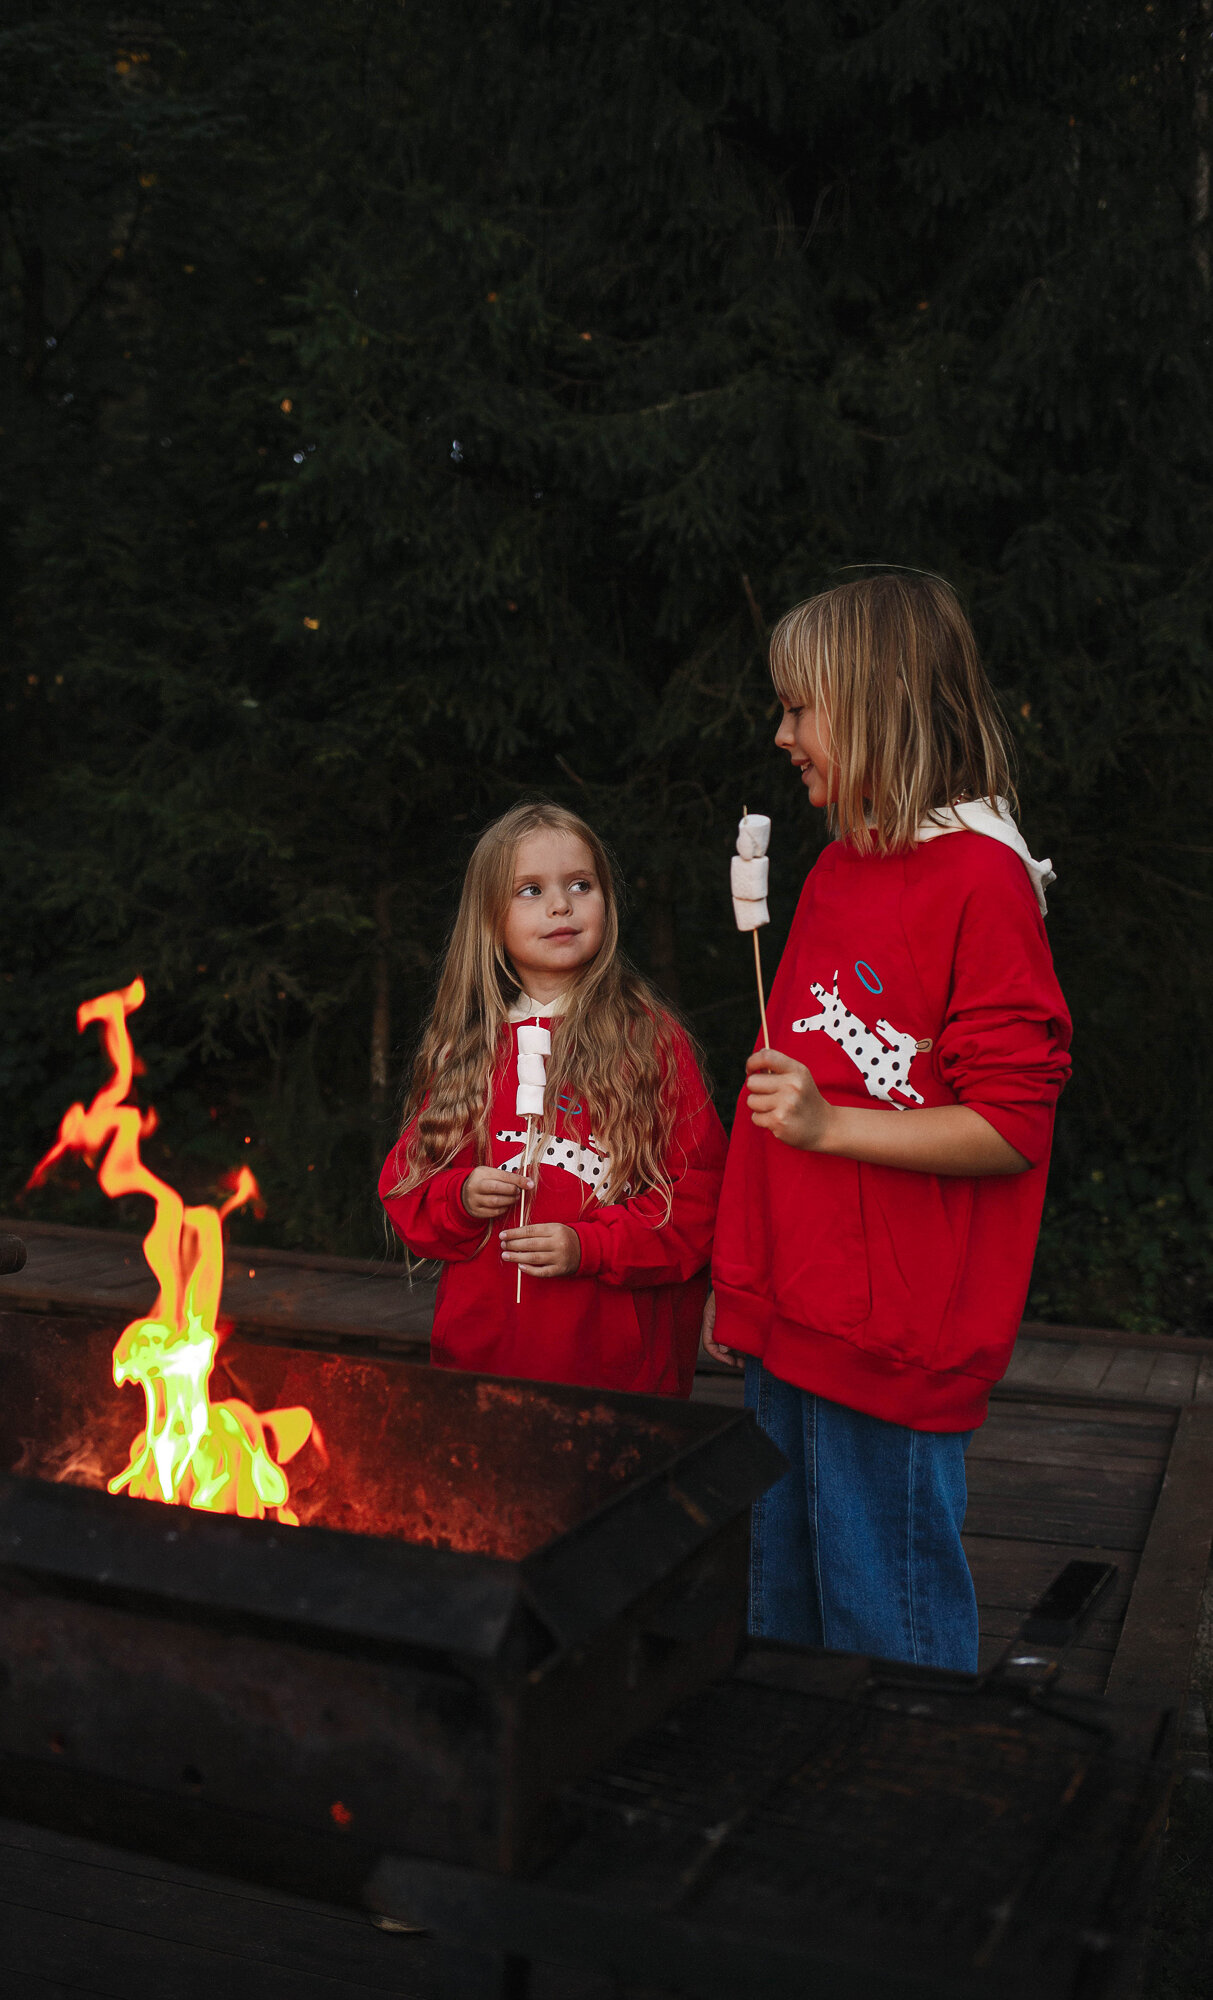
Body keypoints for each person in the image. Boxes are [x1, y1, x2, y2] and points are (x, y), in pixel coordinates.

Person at [706, 573, 1071, 1672]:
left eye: (801, 707)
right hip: (793, 1315)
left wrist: (832, 1128)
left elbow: (1008, 1125)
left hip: (893, 1338)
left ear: (877, 703)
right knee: (784, 1616)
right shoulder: (837, 867)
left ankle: (916, 1827)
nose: (782, 734)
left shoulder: (982, 880)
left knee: (886, 1632)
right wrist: (745, 1279)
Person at [380, 802, 727, 1396]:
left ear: (607, 901)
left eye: (580, 885)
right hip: (487, 1366)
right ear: (489, 919)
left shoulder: (649, 1040)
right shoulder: (467, 1050)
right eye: (531, 890)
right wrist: (462, 1194)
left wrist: (589, 1244)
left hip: (615, 1369)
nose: (561, 905)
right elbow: (408, 1193)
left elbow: (697, 1199)